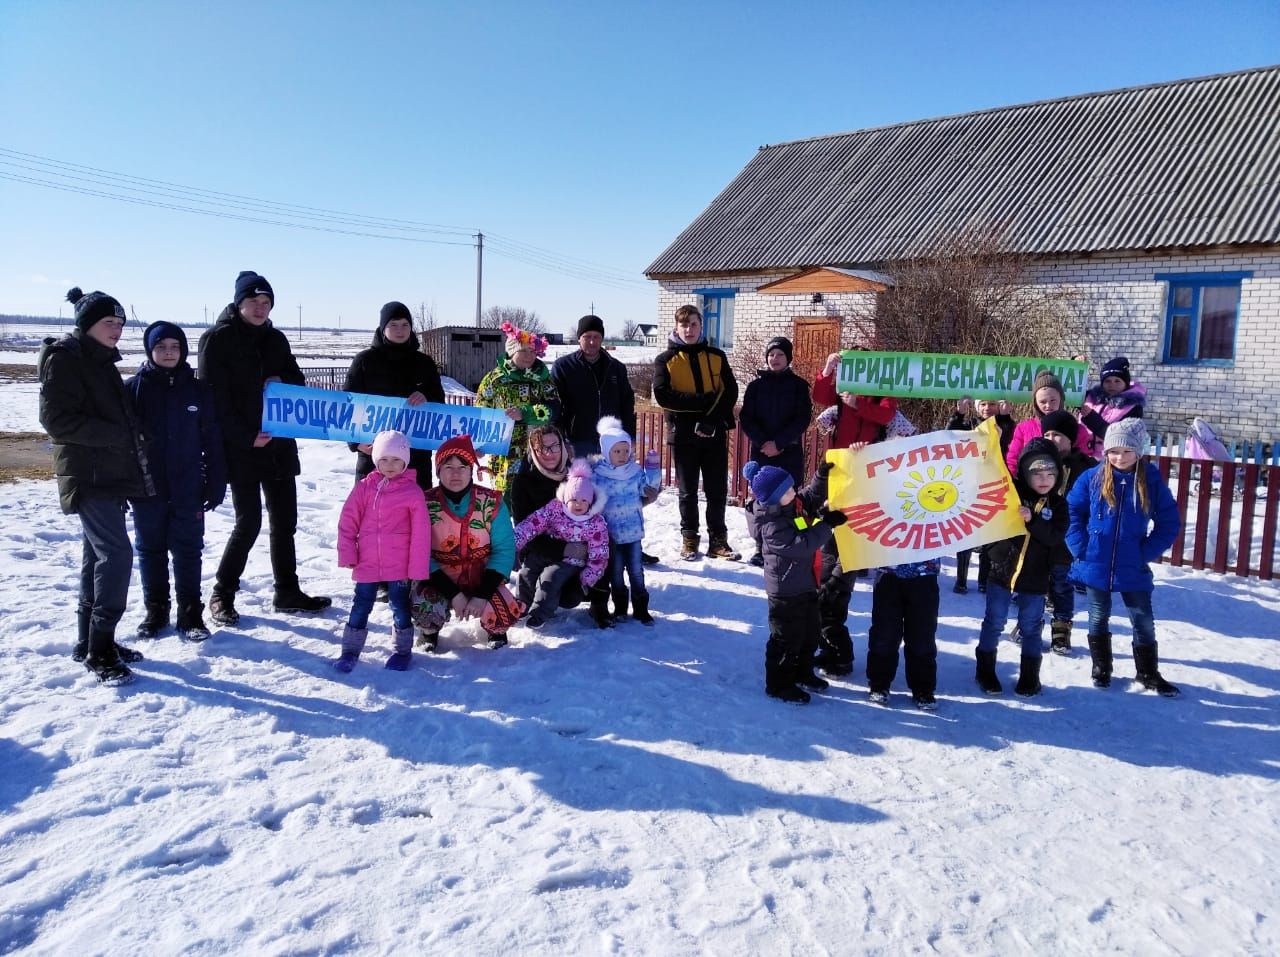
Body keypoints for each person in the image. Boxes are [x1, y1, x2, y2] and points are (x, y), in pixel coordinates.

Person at [198, 271, 331, 624]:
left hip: (279, 444)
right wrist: (245, 436)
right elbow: (213, 399)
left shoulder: (276, 339)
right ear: (239, 303)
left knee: (285, 521)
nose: (260, 308)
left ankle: (287, 591)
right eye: (254, 302)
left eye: (266, 302)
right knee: (249, 521)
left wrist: (281, 380)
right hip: (242, 448)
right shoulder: (217, 340)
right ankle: (222, 593)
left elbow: (297, 382)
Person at [39, 287, 153, 685]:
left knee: (96, 556)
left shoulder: (99, 359)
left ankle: (88, 640)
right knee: (116, 556)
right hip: (88, 475)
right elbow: (57, 422)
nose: (117, 330)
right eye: (109, 323)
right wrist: (117, 435)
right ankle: (100, 648)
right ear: (88, 324)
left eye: (121, 324)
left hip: (107, 472)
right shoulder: (65, 359)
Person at [125, 321, 226, 642]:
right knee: (150, 549)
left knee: (188, 550)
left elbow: (212, 439)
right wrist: (126, 484)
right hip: (147, 489)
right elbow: (124, 444)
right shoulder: (134, 389)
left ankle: (190, 613)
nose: (168, 353)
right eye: (161, 347)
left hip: (188, 487)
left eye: (175, 347)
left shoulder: (199, 391)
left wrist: (216, 481)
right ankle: (155, 611)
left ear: (183, 351)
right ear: (149, 351)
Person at [1066, 419, 1181, 696]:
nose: (1120, 457)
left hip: (1132, 564)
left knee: (1142, 618)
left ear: (1138, 452)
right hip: (1095, 562)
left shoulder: (1150, 480)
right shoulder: (1091, 478)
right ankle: (1101, 667)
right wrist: (1081, 548)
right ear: (1106, 452)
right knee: (1097, 615)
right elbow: (1071, 513)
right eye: (1114, 451)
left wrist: (1145, 552)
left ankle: (1147, 672)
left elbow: (1169, 523)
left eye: (1127, 451)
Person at [811, 350, 898, 676]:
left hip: (869, 478)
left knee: (844, 564)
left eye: (862, 365)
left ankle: (838, 649)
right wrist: (829, 368)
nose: (856, 370)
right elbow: (820, 397)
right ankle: (830, 645)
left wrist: (858, 405)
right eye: (851, 365)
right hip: (838, 473)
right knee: (830, 550)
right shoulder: (842, 382)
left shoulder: (881, 386)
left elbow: (888, 416)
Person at [744, 459, 846, 703]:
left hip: (806, 585)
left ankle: (803, 672)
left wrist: (821, 476)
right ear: (774, 498)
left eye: (791, 488)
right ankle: (778, 684)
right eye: (788, 491)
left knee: (809, 634)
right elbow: (802, 546)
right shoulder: (772, 525)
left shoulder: (791, 504)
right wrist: (827, 525)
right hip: (785, 592)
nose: (794, 492)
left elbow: (810, 496)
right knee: (786, 639)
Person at [974, 438, 1070, 696]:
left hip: (1036, 577)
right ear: (1025, 474)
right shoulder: (1011, 493)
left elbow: (1054, 536)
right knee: (994, 621)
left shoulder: (1058, 505)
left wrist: (1033, 520)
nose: (1044, 479)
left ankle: (1030, 677)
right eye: (1037, 473)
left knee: (1031, 626)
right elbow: (987, 479)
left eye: (1050, 473)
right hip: (1001, 572)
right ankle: (985, 671)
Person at [411, 435, 523, 651]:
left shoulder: (491, 502)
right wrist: (454, 594)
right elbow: (420, 554)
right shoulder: (423, 504)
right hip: (439, 578)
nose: (455, 473)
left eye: (462, 467)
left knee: (504, 610)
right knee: (425, 609)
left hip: (482, 576)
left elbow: (504, 550)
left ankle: (495, 629)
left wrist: (481, 595)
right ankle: (429, 632)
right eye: (448, 467)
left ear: (471, 470)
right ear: (438, 470)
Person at [334, 431, 431, 673]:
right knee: (361, 604)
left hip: (398, 565)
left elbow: (421, 533)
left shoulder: (413, 492)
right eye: (384, 459)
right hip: (367, 562)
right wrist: (347, 553)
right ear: (375, 458)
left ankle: (402, 650)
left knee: (399, 605)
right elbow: (348, 521)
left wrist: (417, 567)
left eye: (397, 460)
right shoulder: (365, 488)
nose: (390, 466)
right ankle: (350, 650)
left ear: (406, 461)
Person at [653, 305, 740, 561]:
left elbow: (730, 391)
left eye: (693, 324)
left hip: (714, 433)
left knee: (717, 491)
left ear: (701, 326)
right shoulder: (665, 360)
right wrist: (702, 402)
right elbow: (662, 395)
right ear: (676, 327)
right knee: (688, 491)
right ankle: (689, 539)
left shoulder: (716, 355)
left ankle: (718, 542)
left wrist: (711, 420)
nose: (689, 330)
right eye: (684, 325)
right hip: (683, 435)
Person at [343, 301, 445, 491]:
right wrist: (355, 442)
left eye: (405, 324)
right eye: (393, 324)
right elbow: (347, 406)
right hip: (374, 457)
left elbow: (439, 402)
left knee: (416, 514)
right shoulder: (364, 361)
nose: (400, 330)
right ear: (383, 328)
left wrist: (426, 396)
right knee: (373, 515)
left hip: (416, 457)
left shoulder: (424, 363)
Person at [738, 336, 812, 566]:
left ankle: (798, 542)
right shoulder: (755, 386)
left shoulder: (799, 386)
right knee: (763, 502)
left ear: (788, 358)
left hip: (788, 452)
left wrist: (779, 443)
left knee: (793, 499)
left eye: (780, 354)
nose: (775, 358)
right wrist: (764, 443)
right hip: (762, 453)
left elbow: (802, 419)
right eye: (771, 354)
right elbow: (746, 418)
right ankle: (761, 546)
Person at [512, 459, 611, 628]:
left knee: (549, 578)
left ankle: (540, 613)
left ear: (591, 501)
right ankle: (521, 605)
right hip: (549, 551)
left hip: (570, 561)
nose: (578, 504)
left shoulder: (595, 522)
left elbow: (599, 554)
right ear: (565, 499)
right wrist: (516, 540)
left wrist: (586, 579)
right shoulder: (555, 509)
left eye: (583, 500)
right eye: (574, 499)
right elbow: (534, 522)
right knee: (527, 571)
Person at [474, 321, 560, 492]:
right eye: (523, 350)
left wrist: (526, 413)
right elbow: (481, 412)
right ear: (512, 351)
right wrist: (480, 444)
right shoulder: (495, 379)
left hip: (537, 448)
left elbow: (553, 408)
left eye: (532, 351)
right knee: (505, 497)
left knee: (535, 496)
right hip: (503, 451)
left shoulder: (543, 379)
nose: (529, 355)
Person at [1038, 409, 1097, 654]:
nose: (1052, 439)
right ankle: (1028, 625)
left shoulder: (1085, 467)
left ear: (1071, 439)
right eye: (1048, 434)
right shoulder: (1035, 461)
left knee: (1062, 586)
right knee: (1035, 585)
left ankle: (1061, 631)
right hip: (1039, 535)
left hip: (1066, 541)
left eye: (1058, 435)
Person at [591, 416, 660, 625]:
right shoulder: (598, 475)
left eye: (625, 450)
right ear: (606, 451)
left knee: (637, 572)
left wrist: (653, 470)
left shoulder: (635, 472)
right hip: (611, 535)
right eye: (617, 451)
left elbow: (649, 488)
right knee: (616, 574)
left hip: (633, 533)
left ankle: (641, 609)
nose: (622, 455)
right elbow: (588, 496)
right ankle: (620, 608)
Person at [947, 396, 1015, 594]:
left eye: (992, 404)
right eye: (983, 404)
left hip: (993, 484)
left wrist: (1005, 417)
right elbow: (949, 435)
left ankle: (984, 578)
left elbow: (1010, 439)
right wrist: (958, 413)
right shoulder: (968, 424)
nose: (987, 408)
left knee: (988, 533)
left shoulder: (1004, 423)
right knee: (965, 533)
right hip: (968, 483)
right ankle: (961, 579)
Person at [551, 314, 636, 459]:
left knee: (611, 481)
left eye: (596, 336)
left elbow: (627, 404)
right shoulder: (564, 367)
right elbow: (555, 406)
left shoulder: (616, 367)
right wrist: (560, 439)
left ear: (602, 338)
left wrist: (629, 435)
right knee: (580, 481)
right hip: (577, 442)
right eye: (587, 336)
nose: (592, 341)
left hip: (612, 442)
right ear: (579, 338)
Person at [865, 558, 942, 710]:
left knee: (922, 635)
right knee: (884, 633)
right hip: (888, 572)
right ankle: (879, 684)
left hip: (924, 574)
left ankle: (923, 689)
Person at [1005, 371, 1091, 474]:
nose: (1048, 406)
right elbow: (1013, 460)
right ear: (1035, 402)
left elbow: (1085, 460)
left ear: (1061, 398)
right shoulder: (1024, 428)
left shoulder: (1076, 429)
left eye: (1053, 400)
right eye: (1042, 402)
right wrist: (1017, 481)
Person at [1079, 356, 1146, 458]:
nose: (1112, 385)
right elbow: (1064, 393)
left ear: (1125, 384)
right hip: (1080, 457)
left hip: (1109, 460)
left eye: (1117, 381)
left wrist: (1090, 418)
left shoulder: (1133, 408)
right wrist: (1077, 366)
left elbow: (1121, 437)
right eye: (1107, 381)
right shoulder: (1090, 397)